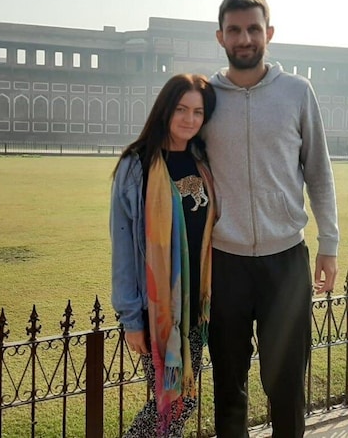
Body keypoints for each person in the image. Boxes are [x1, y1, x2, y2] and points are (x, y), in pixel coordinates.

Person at [203, 0, 339, 437]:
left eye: (254, 29)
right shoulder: (206, 99)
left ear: (270, 33)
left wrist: (329, 245)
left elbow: (318, 171)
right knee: (229, 384)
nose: (245, 38)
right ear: (221, 36)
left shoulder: (297, 92)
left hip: (285, 260)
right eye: (236, 30)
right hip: (225, 262)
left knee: (285, 386)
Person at [110, 73, 217, 437]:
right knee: (168, 403)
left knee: (182, 400)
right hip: (156, 311)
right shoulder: (137, 165)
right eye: (181, 109)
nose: (189, 119)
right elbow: (123, 246)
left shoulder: (202, 163)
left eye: (198, 112)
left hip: (195, 312)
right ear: (165, 110)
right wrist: (131, 318)